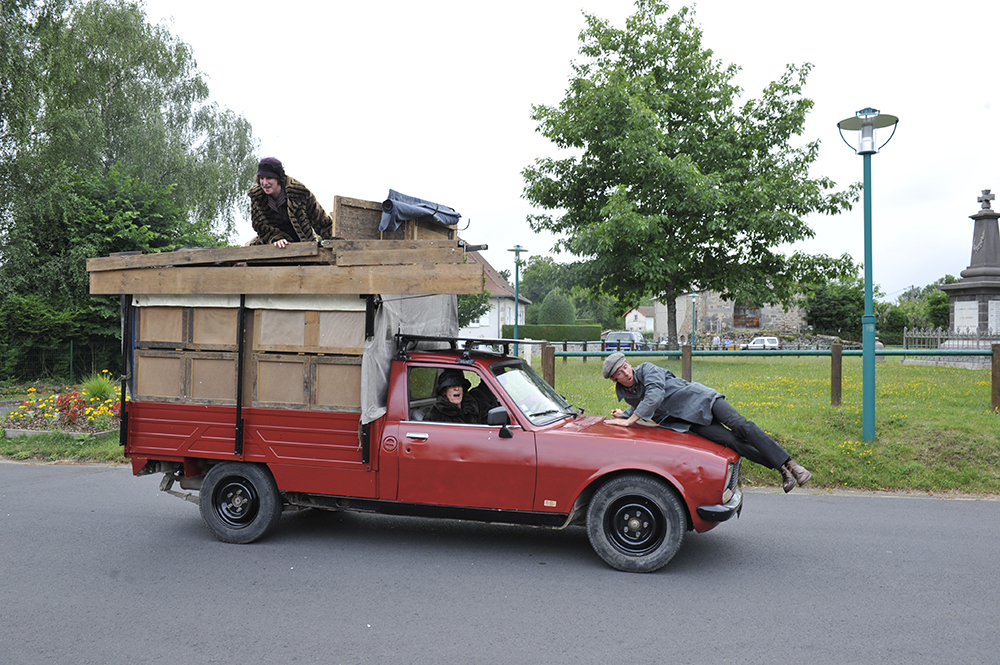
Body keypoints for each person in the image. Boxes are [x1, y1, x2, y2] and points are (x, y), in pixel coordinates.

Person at [601, 352, 811, 493]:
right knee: (732, 442)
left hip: (702, 400)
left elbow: (654, 396)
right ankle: (782, 469)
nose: (626, 373)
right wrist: (623, 414)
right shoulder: (628, 394)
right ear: (614, 379)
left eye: (626, 367)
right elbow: (641, 403)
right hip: (690, 421)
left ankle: (793, 465)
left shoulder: (647, 369)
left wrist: (630, 420)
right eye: (620, 373)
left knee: (741, 426)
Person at [247, 157, 333, 247]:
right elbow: (261, 226)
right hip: (273, 242)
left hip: (302, 242)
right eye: (261, 178)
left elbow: (322, 222)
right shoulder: (257, 197)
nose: (264, 182)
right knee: (248, 252)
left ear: (278, 178)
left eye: (269, 178)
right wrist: (276, 238)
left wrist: (334, 243)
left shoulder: (299, 193)